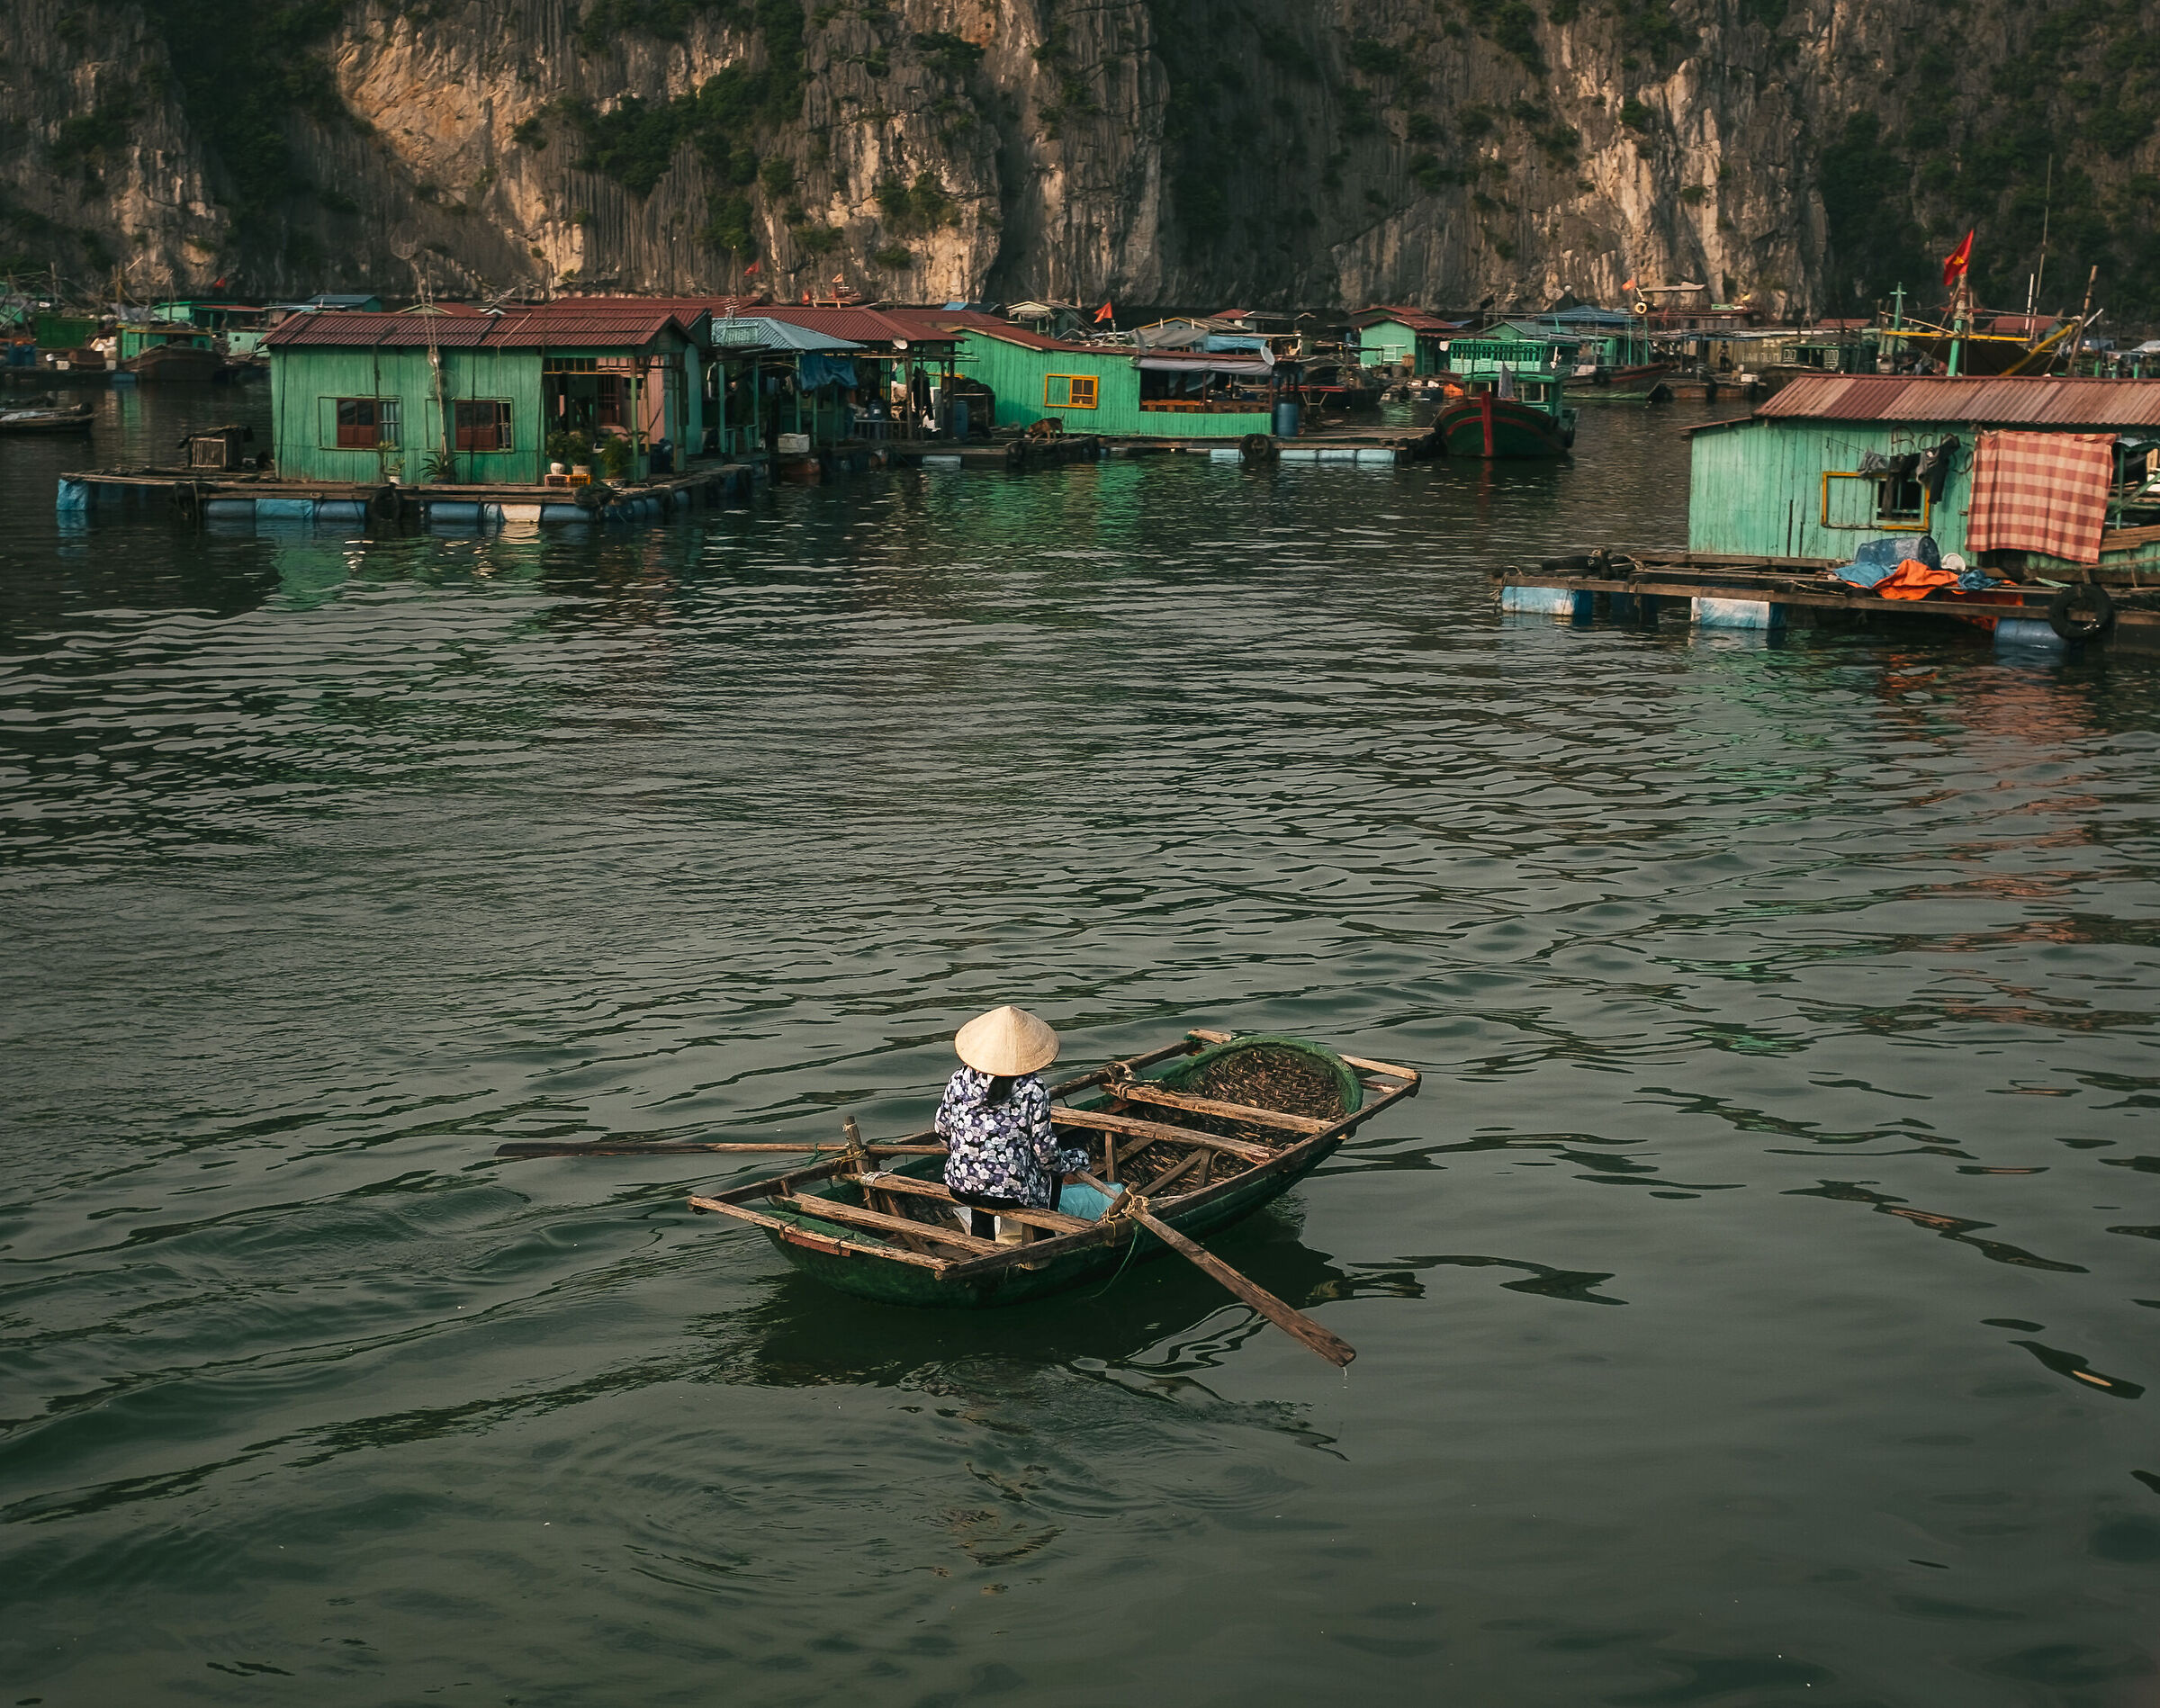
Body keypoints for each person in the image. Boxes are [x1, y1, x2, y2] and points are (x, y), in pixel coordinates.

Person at [935, 1005, 1088, 1245]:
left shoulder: (959, 1079)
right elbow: (1045, 1153)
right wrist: (1073, 1161)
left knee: (982, 1182)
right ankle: (1042, 1243)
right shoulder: (1032, 1088)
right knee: (1053, 1174)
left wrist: (970, 1157)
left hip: (959, 1185)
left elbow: (942, 1128)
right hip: (1008, 1194)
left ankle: (981, 1246)